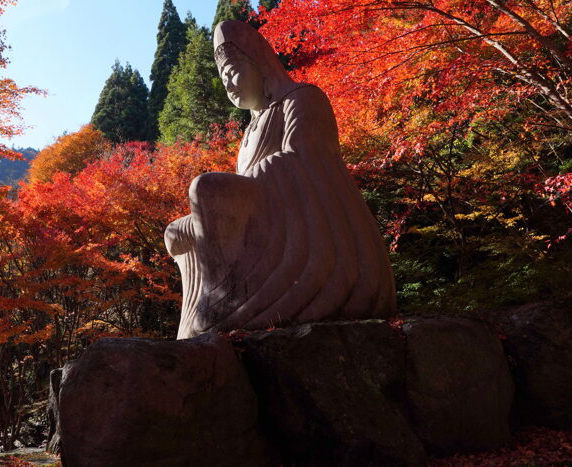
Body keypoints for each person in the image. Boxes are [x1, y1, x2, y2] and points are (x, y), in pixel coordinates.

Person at [164, 20, 397, 339]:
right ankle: (212, 303)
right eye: (223, 77)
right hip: (261, 217)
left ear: (259, 64)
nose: (228, 83)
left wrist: (233, 192)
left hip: (297, 220)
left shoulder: (302, 99)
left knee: (205, 189)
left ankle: (226, 304)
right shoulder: (249, 132)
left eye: (233, 71)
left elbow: (306, 160)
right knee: (176, 232)